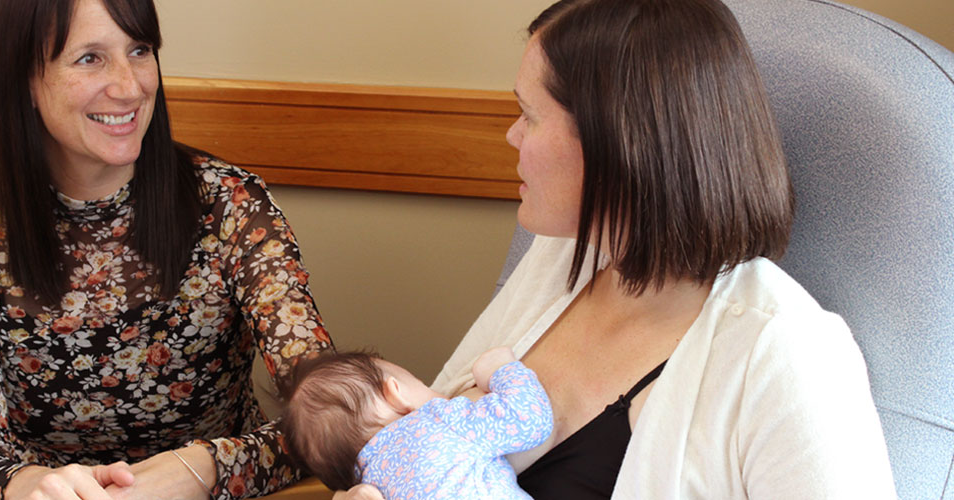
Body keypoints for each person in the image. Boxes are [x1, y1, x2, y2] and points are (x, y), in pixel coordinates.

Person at [340, 0, 896, 498]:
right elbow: (430, 433)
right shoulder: (559, 257)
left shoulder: (787, 354)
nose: (511, 136)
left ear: (619, 142)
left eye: (530, 115)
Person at [0, 0, 333, 498]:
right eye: (90, 58)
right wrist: (34, 488)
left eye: (139, 50)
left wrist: (197, 470)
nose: (130, 86)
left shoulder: (230, 204)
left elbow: (326, 410)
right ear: (24, 76)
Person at [281, 347, 552, 499]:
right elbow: (529, 420)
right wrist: (501, 369)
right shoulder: (438, 421)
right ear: (396, 394)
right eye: (422, 384)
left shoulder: (371, 490)